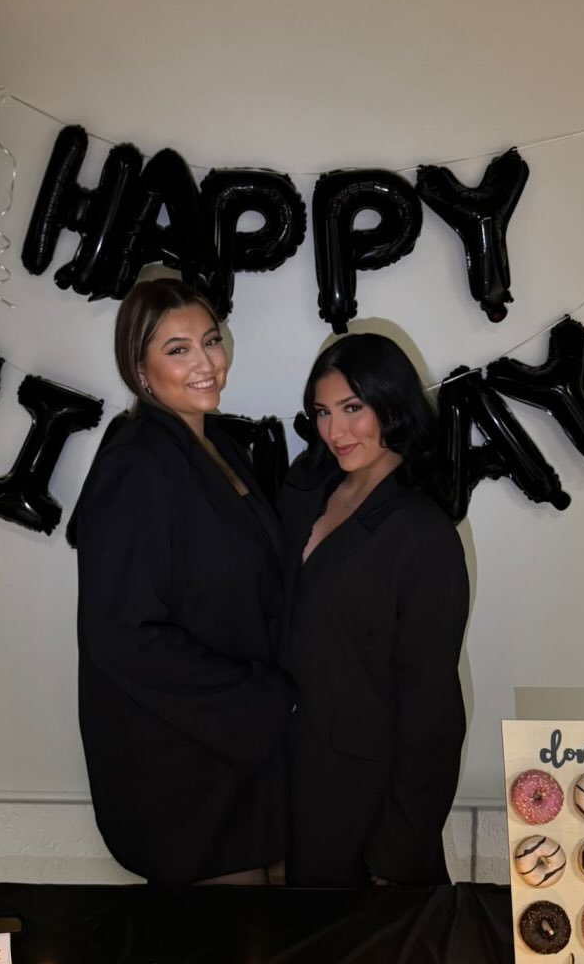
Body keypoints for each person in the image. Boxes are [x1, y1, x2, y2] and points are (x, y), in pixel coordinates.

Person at [71, 278, 292, 885]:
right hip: (182, 761)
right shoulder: (135, 463)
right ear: (140, 370)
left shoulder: (218, 444)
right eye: (178, 350)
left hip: (247, 748)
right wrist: (263, 697)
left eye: (211, 341)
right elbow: (121, 636)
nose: (206, 363)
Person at [279, 333, 470, 887]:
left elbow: (432, 710)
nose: (335, 431)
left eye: (352, 408)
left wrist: (397, 852)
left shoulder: (422, 533)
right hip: (293, 783)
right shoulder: (306, 491)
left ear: (392, 404)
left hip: (369, 805)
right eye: (322, 412)